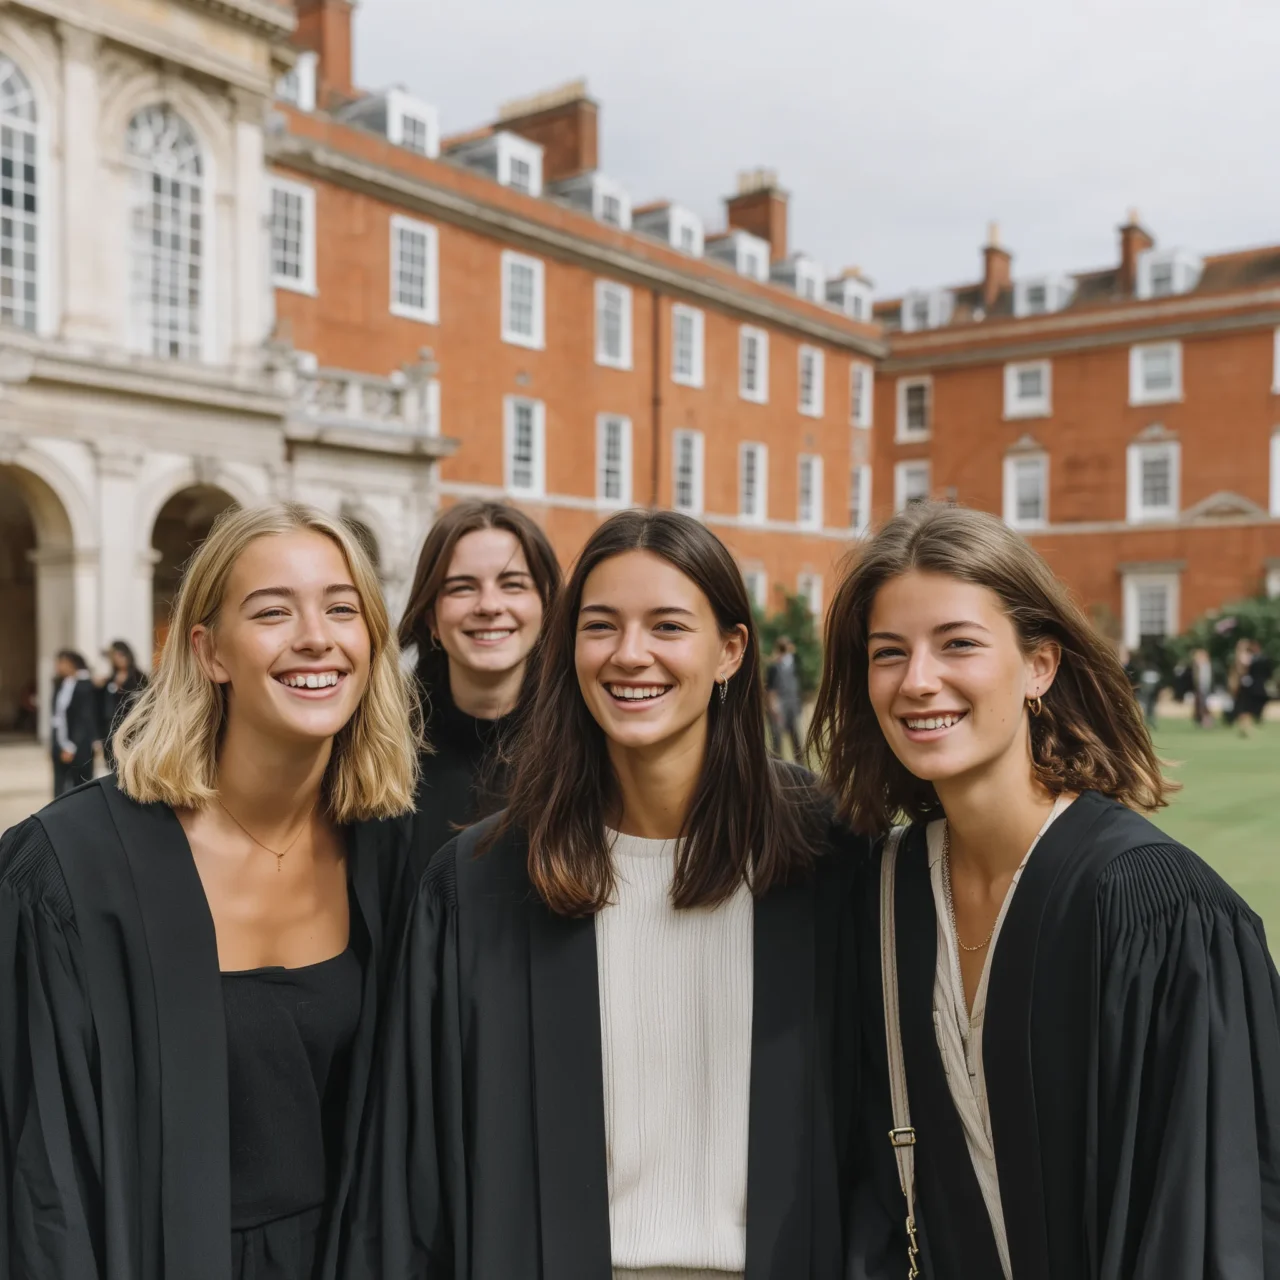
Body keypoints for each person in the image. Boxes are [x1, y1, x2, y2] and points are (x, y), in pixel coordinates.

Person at [345, 509, 863, 1280]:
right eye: (600, 626)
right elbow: (415, 1187)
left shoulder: (829, 857)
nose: (630, 656)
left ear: (730, 650)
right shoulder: (481, 884)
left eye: (667, 626)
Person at [809, 502, 1280, 1280]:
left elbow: (1211, 1228)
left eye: (957, 643)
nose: (918, 680)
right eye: (888, 652)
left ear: (1040, 665)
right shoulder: (884, 898)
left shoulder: (1157, 912)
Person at [0, 502, 419, 1280]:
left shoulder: (392, 859)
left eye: (341, 608)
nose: (315, 637)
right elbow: (41, 1187)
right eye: (271, 612)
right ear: (209, 651)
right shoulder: (68, 874)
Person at [397, 500, 560, 874]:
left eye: (513, 585)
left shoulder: (581, 749)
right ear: (431, 618)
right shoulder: (382, 749)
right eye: (462, 588)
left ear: (546, 606)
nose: (489, 605)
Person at [49, 648, 97, 796]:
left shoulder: (85, 685)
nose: (57, 667)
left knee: (80, 788)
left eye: (60, 663)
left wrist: (71, 746)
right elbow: (57, 716)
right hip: (60, 744)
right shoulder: (61, 684)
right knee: (59, 788)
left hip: (78, 744)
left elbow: (84, 718)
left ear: (71, 664)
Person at [97, 640, 149, 769]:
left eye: (121, 655)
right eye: (115, 656)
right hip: (110, 728)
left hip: (132, 728)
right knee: (112, 766)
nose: (118, 659)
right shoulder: (109, 679)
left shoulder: (139, 677)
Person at [765, 635, 805, 762]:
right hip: (779, 707)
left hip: (791, 705)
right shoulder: (774, 667)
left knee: (795, 738)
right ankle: (777, 769)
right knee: (777, 741)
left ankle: (800, 767)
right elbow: (770, 690)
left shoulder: (792, 663)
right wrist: (773, 708)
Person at [1234, 637, 1273, 737]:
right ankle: (1246, 728)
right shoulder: (1245, 657)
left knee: (1247, 709)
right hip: (1245, 687)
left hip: (1248, 686)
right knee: (1245, 708)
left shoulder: (1249, 657)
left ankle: (1247, 728)